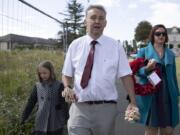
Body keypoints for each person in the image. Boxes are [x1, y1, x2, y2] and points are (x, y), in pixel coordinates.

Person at [61, 5, 138, 135]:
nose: (97, 21)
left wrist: (133, 102)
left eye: (101, 18)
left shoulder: (116, 46)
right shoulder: (75, 45)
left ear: (105, 23)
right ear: (85, 21)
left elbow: (126, 75)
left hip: (106, 109)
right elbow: (66, 73)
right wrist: (67, 86)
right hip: (79, 107)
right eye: (93, 17)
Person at [135, 24, 179, 135]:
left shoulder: (170, 54)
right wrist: (147, 69)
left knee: (168, 129)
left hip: (167, 93)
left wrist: (176, 93)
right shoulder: (143, 51)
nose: (161, 36)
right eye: (158, 33)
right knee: (151, 129)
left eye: (163, 34)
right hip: (151, 94)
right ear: (153, 35)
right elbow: (136, 71)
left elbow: (173, 76)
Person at [21, 60, 69, 135]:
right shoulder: (37, 86)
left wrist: (67, 119)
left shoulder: (59, 85)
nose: (42, 75)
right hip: (41, 121)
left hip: (56, 121)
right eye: (40, 73)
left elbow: (64, 104)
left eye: (45, 73)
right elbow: (31, 102)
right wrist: (24, 117)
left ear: (51, 72)